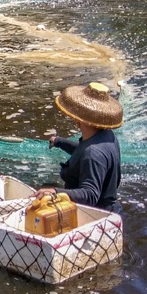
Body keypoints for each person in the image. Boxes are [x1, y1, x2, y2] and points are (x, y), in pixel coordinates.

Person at [33, 82, 123, 213]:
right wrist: (60, 142)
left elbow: (90, 194)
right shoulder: (107, 136)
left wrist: (54, 192)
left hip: (95, 215)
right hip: (112, 210)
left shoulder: (93, 153)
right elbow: (82, 152)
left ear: (79, 119)